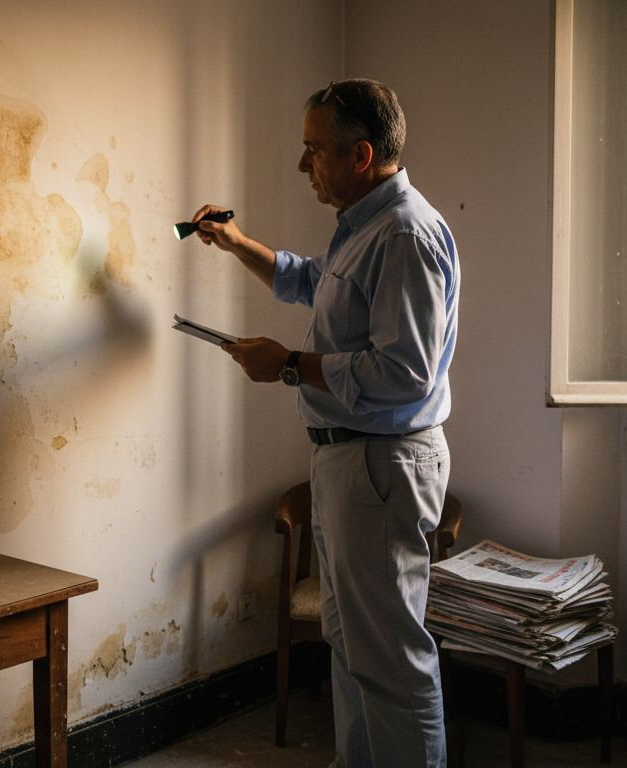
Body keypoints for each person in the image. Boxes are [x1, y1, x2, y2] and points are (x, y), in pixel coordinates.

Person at [192, 78, 459, 767]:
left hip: (381, 462)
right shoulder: (364, 226)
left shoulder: (404, 235)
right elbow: (311, 281)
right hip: (350, 461)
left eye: (314, 151)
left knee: (392, 660)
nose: (301, 164)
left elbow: (404, 373)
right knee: (352, 645)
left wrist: (288, 366)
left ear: (361, 154)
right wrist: (236, 242)